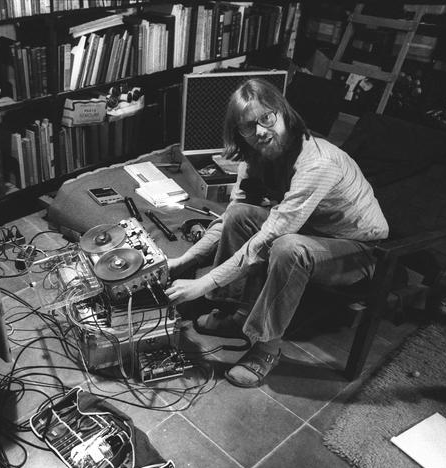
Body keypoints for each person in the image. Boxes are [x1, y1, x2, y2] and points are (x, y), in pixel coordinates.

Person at [165, 78, 389, 388]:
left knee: (287, 247)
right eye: (247, 126)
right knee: (241, 216)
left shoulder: (318, 163)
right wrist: (184, 260)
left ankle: (267, 348)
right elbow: (231, 218)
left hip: (359, 249)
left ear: (283, 112)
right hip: (312, 229)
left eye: (266, 118)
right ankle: (238, 316)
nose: (259, 131)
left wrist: (203, 283)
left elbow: (268, 240)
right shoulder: (253, 157)